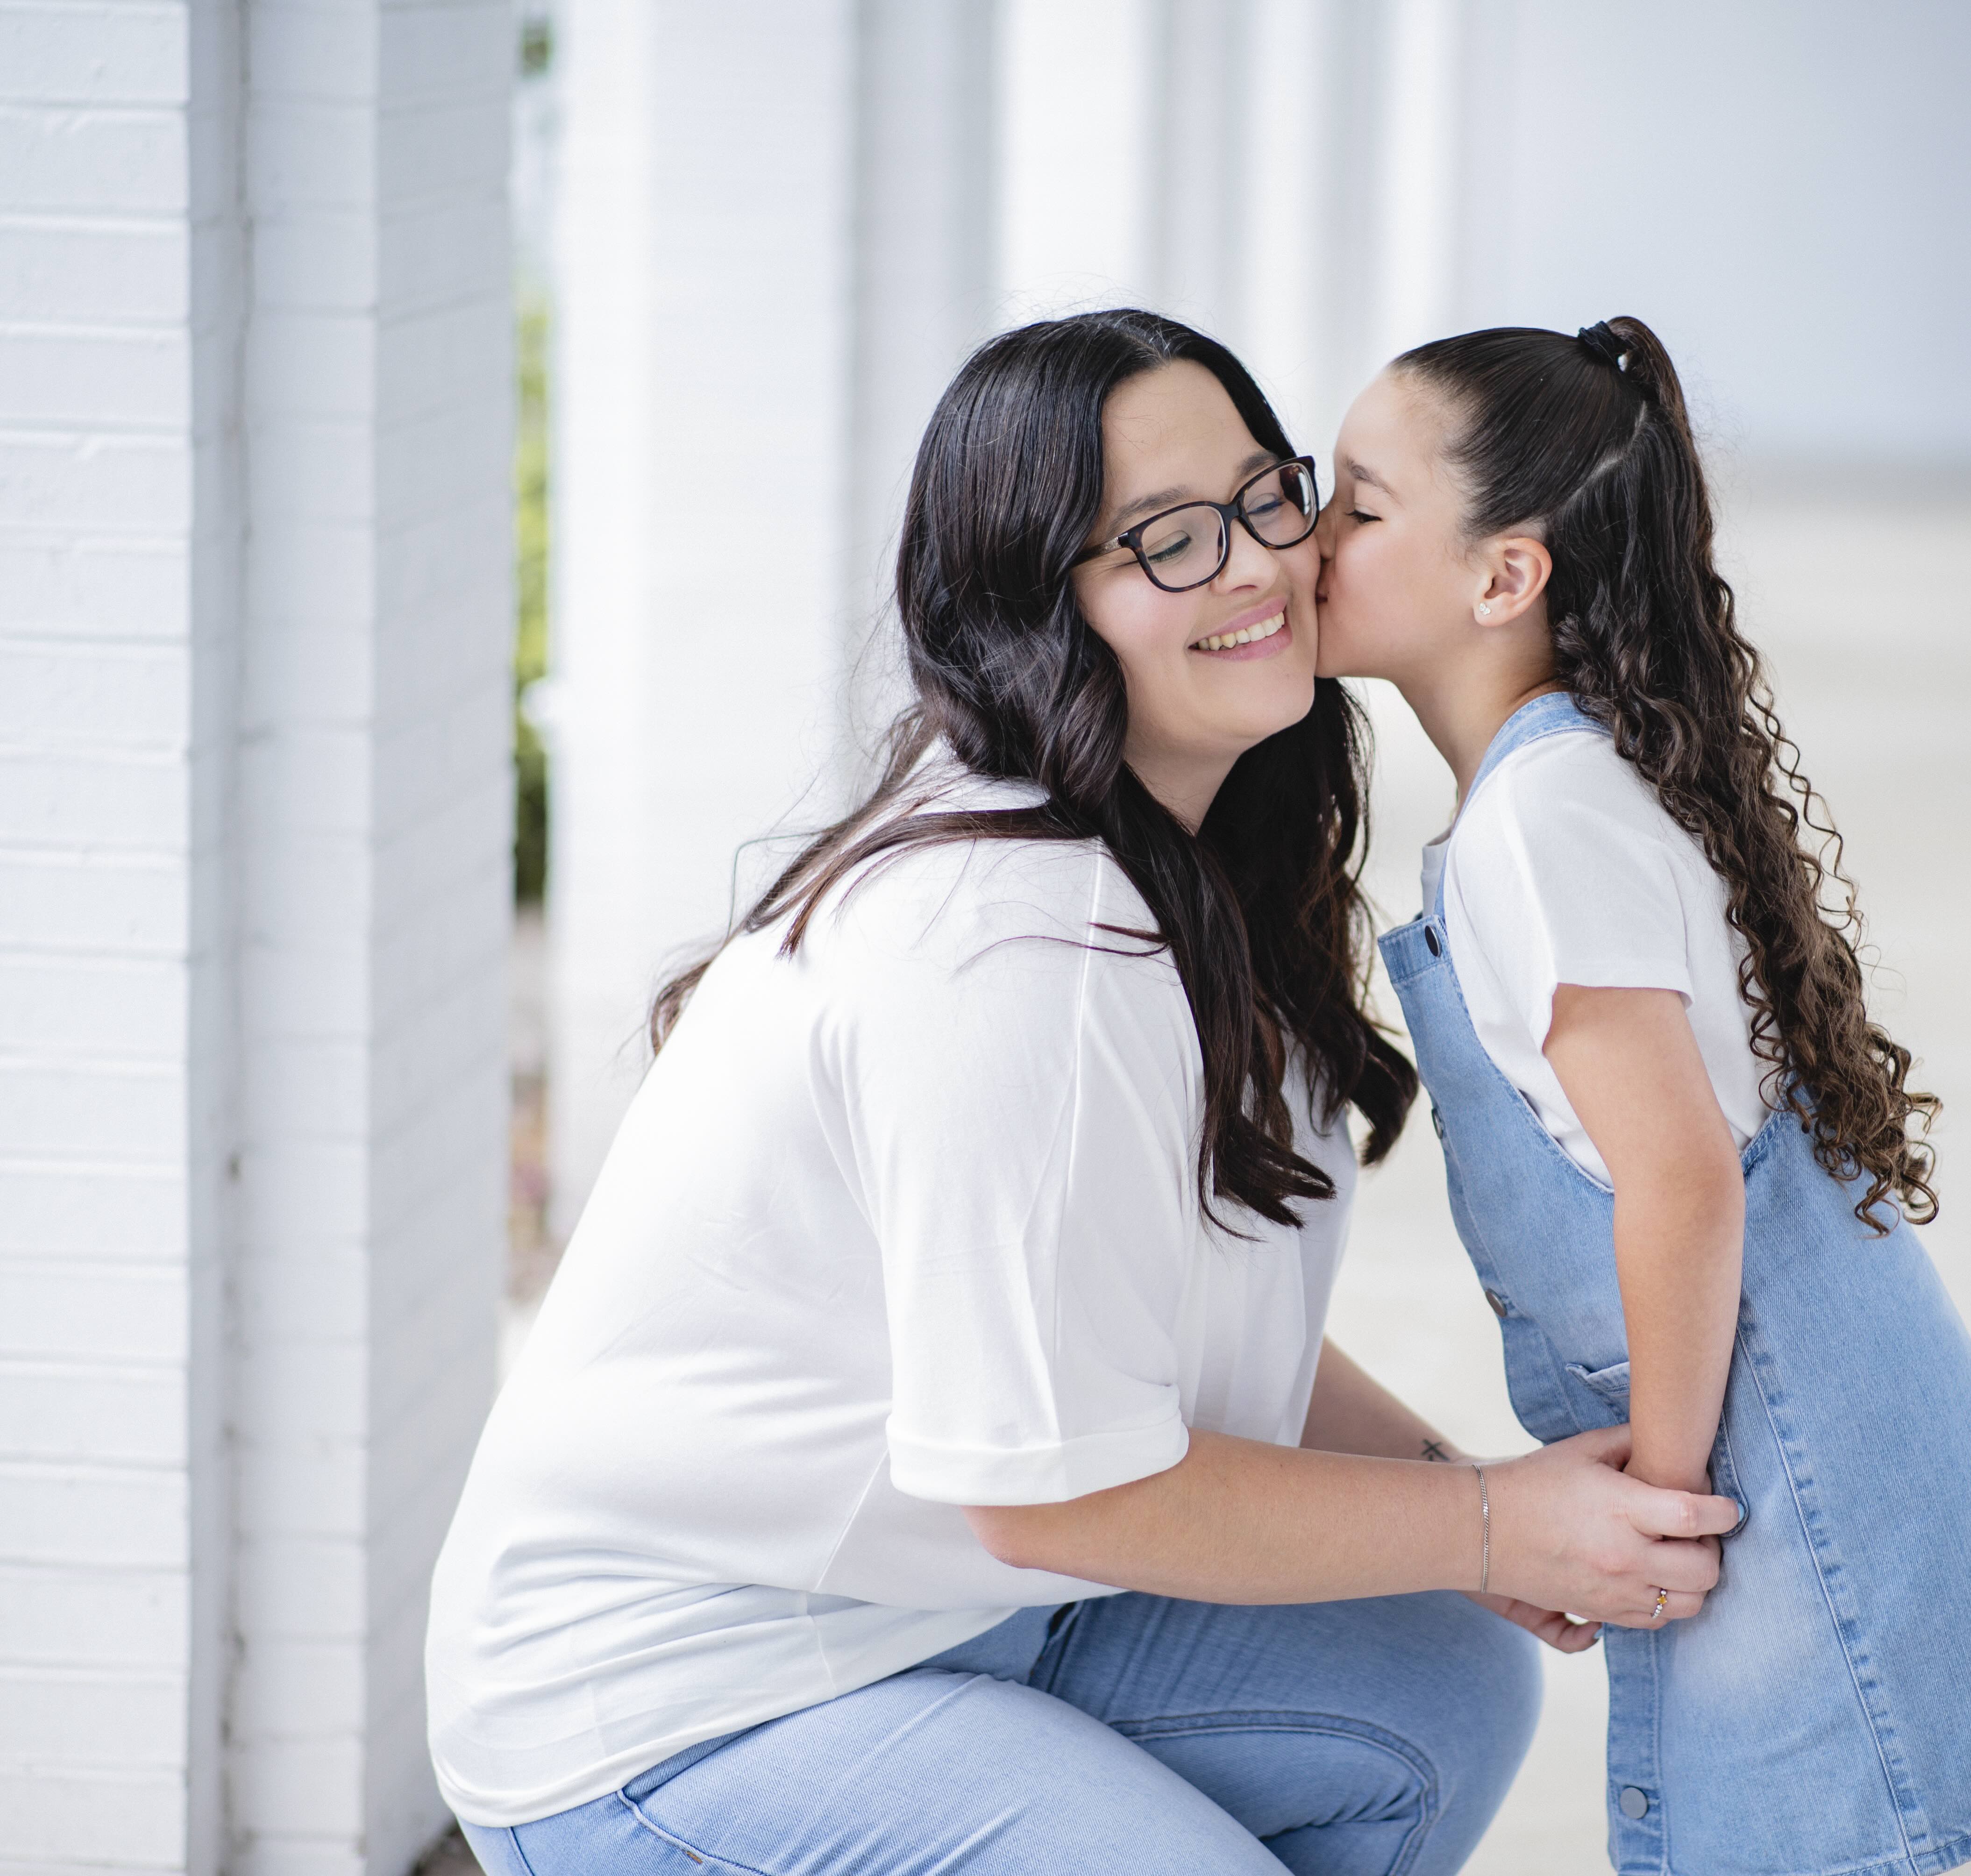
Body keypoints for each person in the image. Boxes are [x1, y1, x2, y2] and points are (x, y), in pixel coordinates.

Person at [427, 309, 1743, 1876]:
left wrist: (1460, 1504)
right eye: (1165, 544)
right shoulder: (1011, 946)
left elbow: (1146, 1312)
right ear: (1032, 609)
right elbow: (1057, 1502)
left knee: (1432, 1680)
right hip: (676, 1706)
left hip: (934, 1614)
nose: (1256, 564)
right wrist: (1494, 1526)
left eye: (1271, 499)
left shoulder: (1188, 861)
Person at [1312, 316, 1971, 1875]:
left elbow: (1681, 1175)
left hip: (1780, 1464)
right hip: (1793, 1422)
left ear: (1505, 578)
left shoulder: (1540, 824)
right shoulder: (1556, 787)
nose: (1309, 530)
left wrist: (1663, 1505)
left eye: (1358, 503)